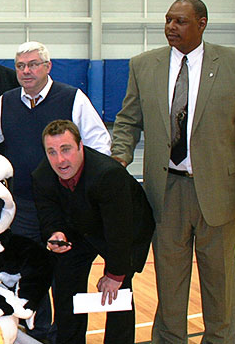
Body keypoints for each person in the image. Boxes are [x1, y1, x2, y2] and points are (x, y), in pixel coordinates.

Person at [0, 41, 111, 342]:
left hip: (66, 209)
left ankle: (69, 338)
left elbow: (99, 145)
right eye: (20, 66)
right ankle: (39, 333)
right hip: (23, 208)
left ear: (47, 67)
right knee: (30, 276)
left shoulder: (72, 98)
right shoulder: (6, 101)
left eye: (32, 65)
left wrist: (81, 189)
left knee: (67, 278)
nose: (26, 71)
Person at [110, 0, 235, 342]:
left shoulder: (231, 63)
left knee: (220, 282)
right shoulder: (144, 65)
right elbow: (127, 120)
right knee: (168, 280)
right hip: (165, 191)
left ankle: (222, 339)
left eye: (180, 21)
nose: (171, 27)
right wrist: (118, 158)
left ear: (202, 23)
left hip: (218, 192)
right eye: (168, 20)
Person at [32, 120, 154, 344]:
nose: (60, 160)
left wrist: (115, 274)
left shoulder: (108, 175)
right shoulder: (42, 176)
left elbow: (120, 231)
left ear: (80, 147)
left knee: (119, 292)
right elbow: (48, 215)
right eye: (52, 152)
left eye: (66, 149)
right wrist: (55, 233)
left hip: (125, 229)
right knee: (65, 284)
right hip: (80, 229)